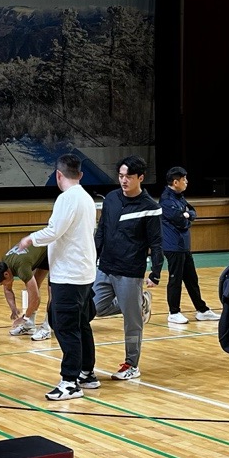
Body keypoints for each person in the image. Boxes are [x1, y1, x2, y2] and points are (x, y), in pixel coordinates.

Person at [19, 153, 98, 401]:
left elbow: (54, 231)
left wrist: (30, 239)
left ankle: (70, 382)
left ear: (58, 175)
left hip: (68, 275)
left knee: (66, 328)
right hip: (84, 273)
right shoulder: (86, 198)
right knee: (80, 324)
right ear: (81, 174)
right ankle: (87, 373)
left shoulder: (67, 198)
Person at [92, 156, 162, 381]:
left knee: (132, 323)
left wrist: (156, 272)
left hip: (130, 271)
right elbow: (102, 229)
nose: (123, 180)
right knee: (94, 308)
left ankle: (132, 364)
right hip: (105, 266)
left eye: (129, 177)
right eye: (121, 176)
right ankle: (139, 303)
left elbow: (156, 243)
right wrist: (93, 256)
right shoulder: (112, 198)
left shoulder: (150, 208)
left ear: (140, 177)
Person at [160, 167, 217, 325]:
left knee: (192, 279)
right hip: (173, 246)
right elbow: (181, 222)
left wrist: (187, 215)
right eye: (184, 179)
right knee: (175, 280)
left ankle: (202, 310)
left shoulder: (179, 197)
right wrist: (186, 218)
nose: (186, 182)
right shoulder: (167, 200)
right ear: (175, 182)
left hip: (184, 246)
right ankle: (173, 312)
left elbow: (192, 212)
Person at [0, 245, 51, 339]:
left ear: (6, 274)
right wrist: (13, 309)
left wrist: (25, 317)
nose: (2, 285)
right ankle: (29, 325)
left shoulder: (22, 267)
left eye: (1, 283)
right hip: (42, 253)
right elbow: (8, 289)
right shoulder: (4, 265)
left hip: (54, 249)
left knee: (53, 291)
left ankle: (47, 327)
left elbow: (35, 297)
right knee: (34, 285)